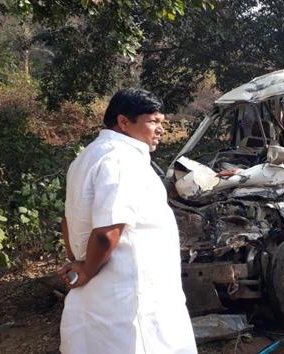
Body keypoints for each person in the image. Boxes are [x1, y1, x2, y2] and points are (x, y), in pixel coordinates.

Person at [58, 88, 197, 354]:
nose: (161, 129)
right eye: (153, 121)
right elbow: (107, 231)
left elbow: (68, 221)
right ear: (124, 122)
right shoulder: (120, 159)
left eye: (162, 123)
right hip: (130, 294)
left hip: (104, 289)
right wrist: (87, 268)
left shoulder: (86, 157)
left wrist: (80, 260)